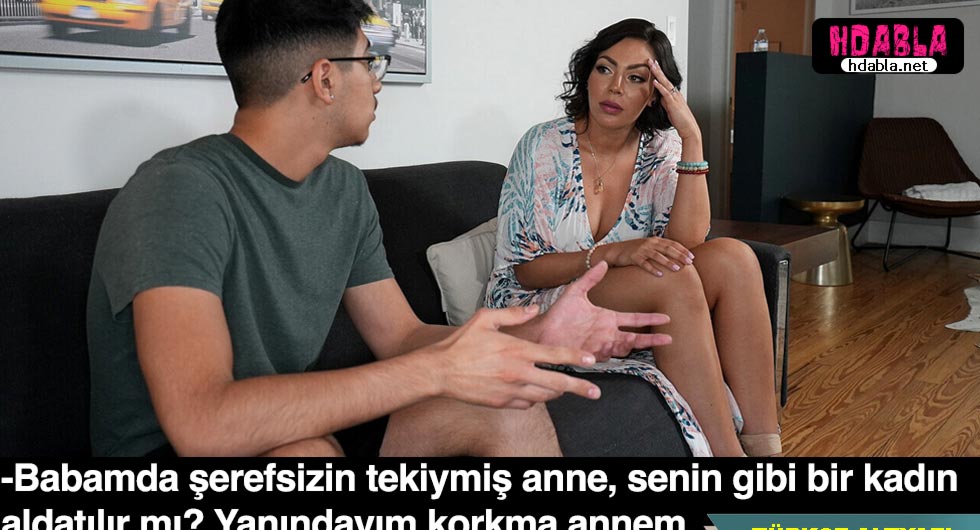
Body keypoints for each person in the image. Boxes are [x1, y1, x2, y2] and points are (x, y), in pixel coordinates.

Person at [86, 0, 672, 458]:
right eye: (369, 62)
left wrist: (539, 333)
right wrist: (435, 372)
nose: (377, 80)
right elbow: (203, 425)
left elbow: (401, 337)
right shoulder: (178, 192)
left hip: (300, 427)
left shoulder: (343, 189)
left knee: (504, 405)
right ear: (325, 79)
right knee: (303, 454)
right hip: (181, 454)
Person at [486, 18, 781, 457]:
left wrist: (692, 138)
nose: (616, 87)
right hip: (535, 303)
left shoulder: (660, 148)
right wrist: (615, 253)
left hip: (626, 295)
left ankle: (766, 450)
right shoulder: (543, 146)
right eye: (605, 69)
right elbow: (525, 271)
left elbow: (688, 245)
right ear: (587, 74)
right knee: (670, 277)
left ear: (655, 94)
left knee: (733, 258)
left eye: (637, 78)